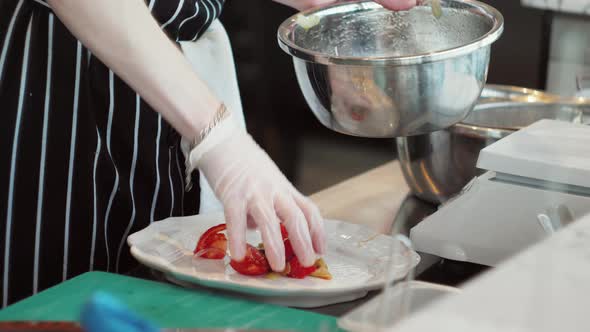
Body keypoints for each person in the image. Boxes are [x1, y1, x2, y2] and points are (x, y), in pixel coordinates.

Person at [0, 0, 417, 306]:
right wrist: (222, 142)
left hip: (173, 94)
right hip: (58, 88)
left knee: (147, 296)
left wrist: (334, 13)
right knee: (51, 303)